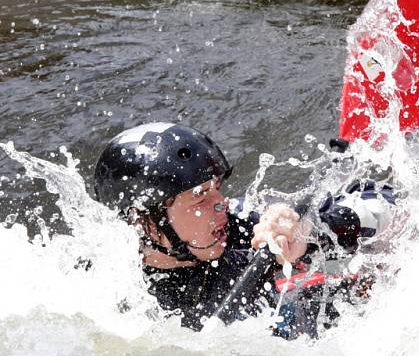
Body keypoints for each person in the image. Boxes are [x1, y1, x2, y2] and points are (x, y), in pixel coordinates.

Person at [93, 122, 395, 337]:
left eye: (217, 188)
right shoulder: (103, 290)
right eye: (200, 195)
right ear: (143, 221)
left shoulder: (240, 224)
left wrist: (312, 229)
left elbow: (387, 201)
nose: (220, 203)